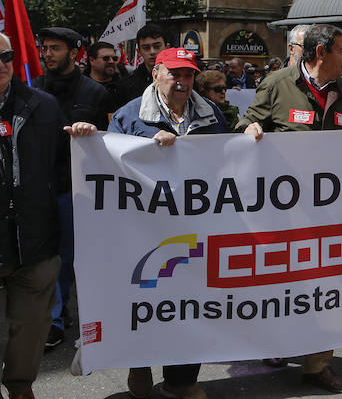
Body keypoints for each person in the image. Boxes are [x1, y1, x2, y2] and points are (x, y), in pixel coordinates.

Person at [74, 47, 226, 399]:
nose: (182, 81)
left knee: (192, 304)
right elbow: (110, 167)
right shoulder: (130, 117)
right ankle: (139, 367)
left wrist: (246, 136)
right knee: (144, 298)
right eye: (174, 74)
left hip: (195, 225)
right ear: (156, 73)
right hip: (142, 228)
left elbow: (224, 159)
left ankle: (181, 380)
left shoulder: (210, 113)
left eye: (188, 74)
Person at [238, 24, 342, 393]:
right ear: (320, 54)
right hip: (282, 210)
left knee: (329, 285)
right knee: (283, 284)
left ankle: (318, 364)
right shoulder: (277, 84)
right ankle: (277, 344)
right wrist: (248, 130)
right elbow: (244, 122)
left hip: (329, 210)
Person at [33, 27, 109, 350]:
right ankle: (53, 319)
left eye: (55, 48)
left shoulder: (95, 93)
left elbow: (110, 141)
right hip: (40, 188)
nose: (47, 53)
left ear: (75, 52)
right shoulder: (33, 89)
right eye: (45, 48)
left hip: (77, 190)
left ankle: (64, 313)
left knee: (67, 257)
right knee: (45, 256)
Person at [0, 32, 66, 399]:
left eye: (6, 56)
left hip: (35, 242)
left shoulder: (43, 105)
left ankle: (21, 385)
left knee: (32, 324)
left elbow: (61, 164)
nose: (1, 64)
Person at [117, 23, 167, 108]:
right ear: (139, 51)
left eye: (157, 46)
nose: (152, 52)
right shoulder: (127, 84)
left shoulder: (182, 77)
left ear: (167, 47)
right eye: (146, 48)